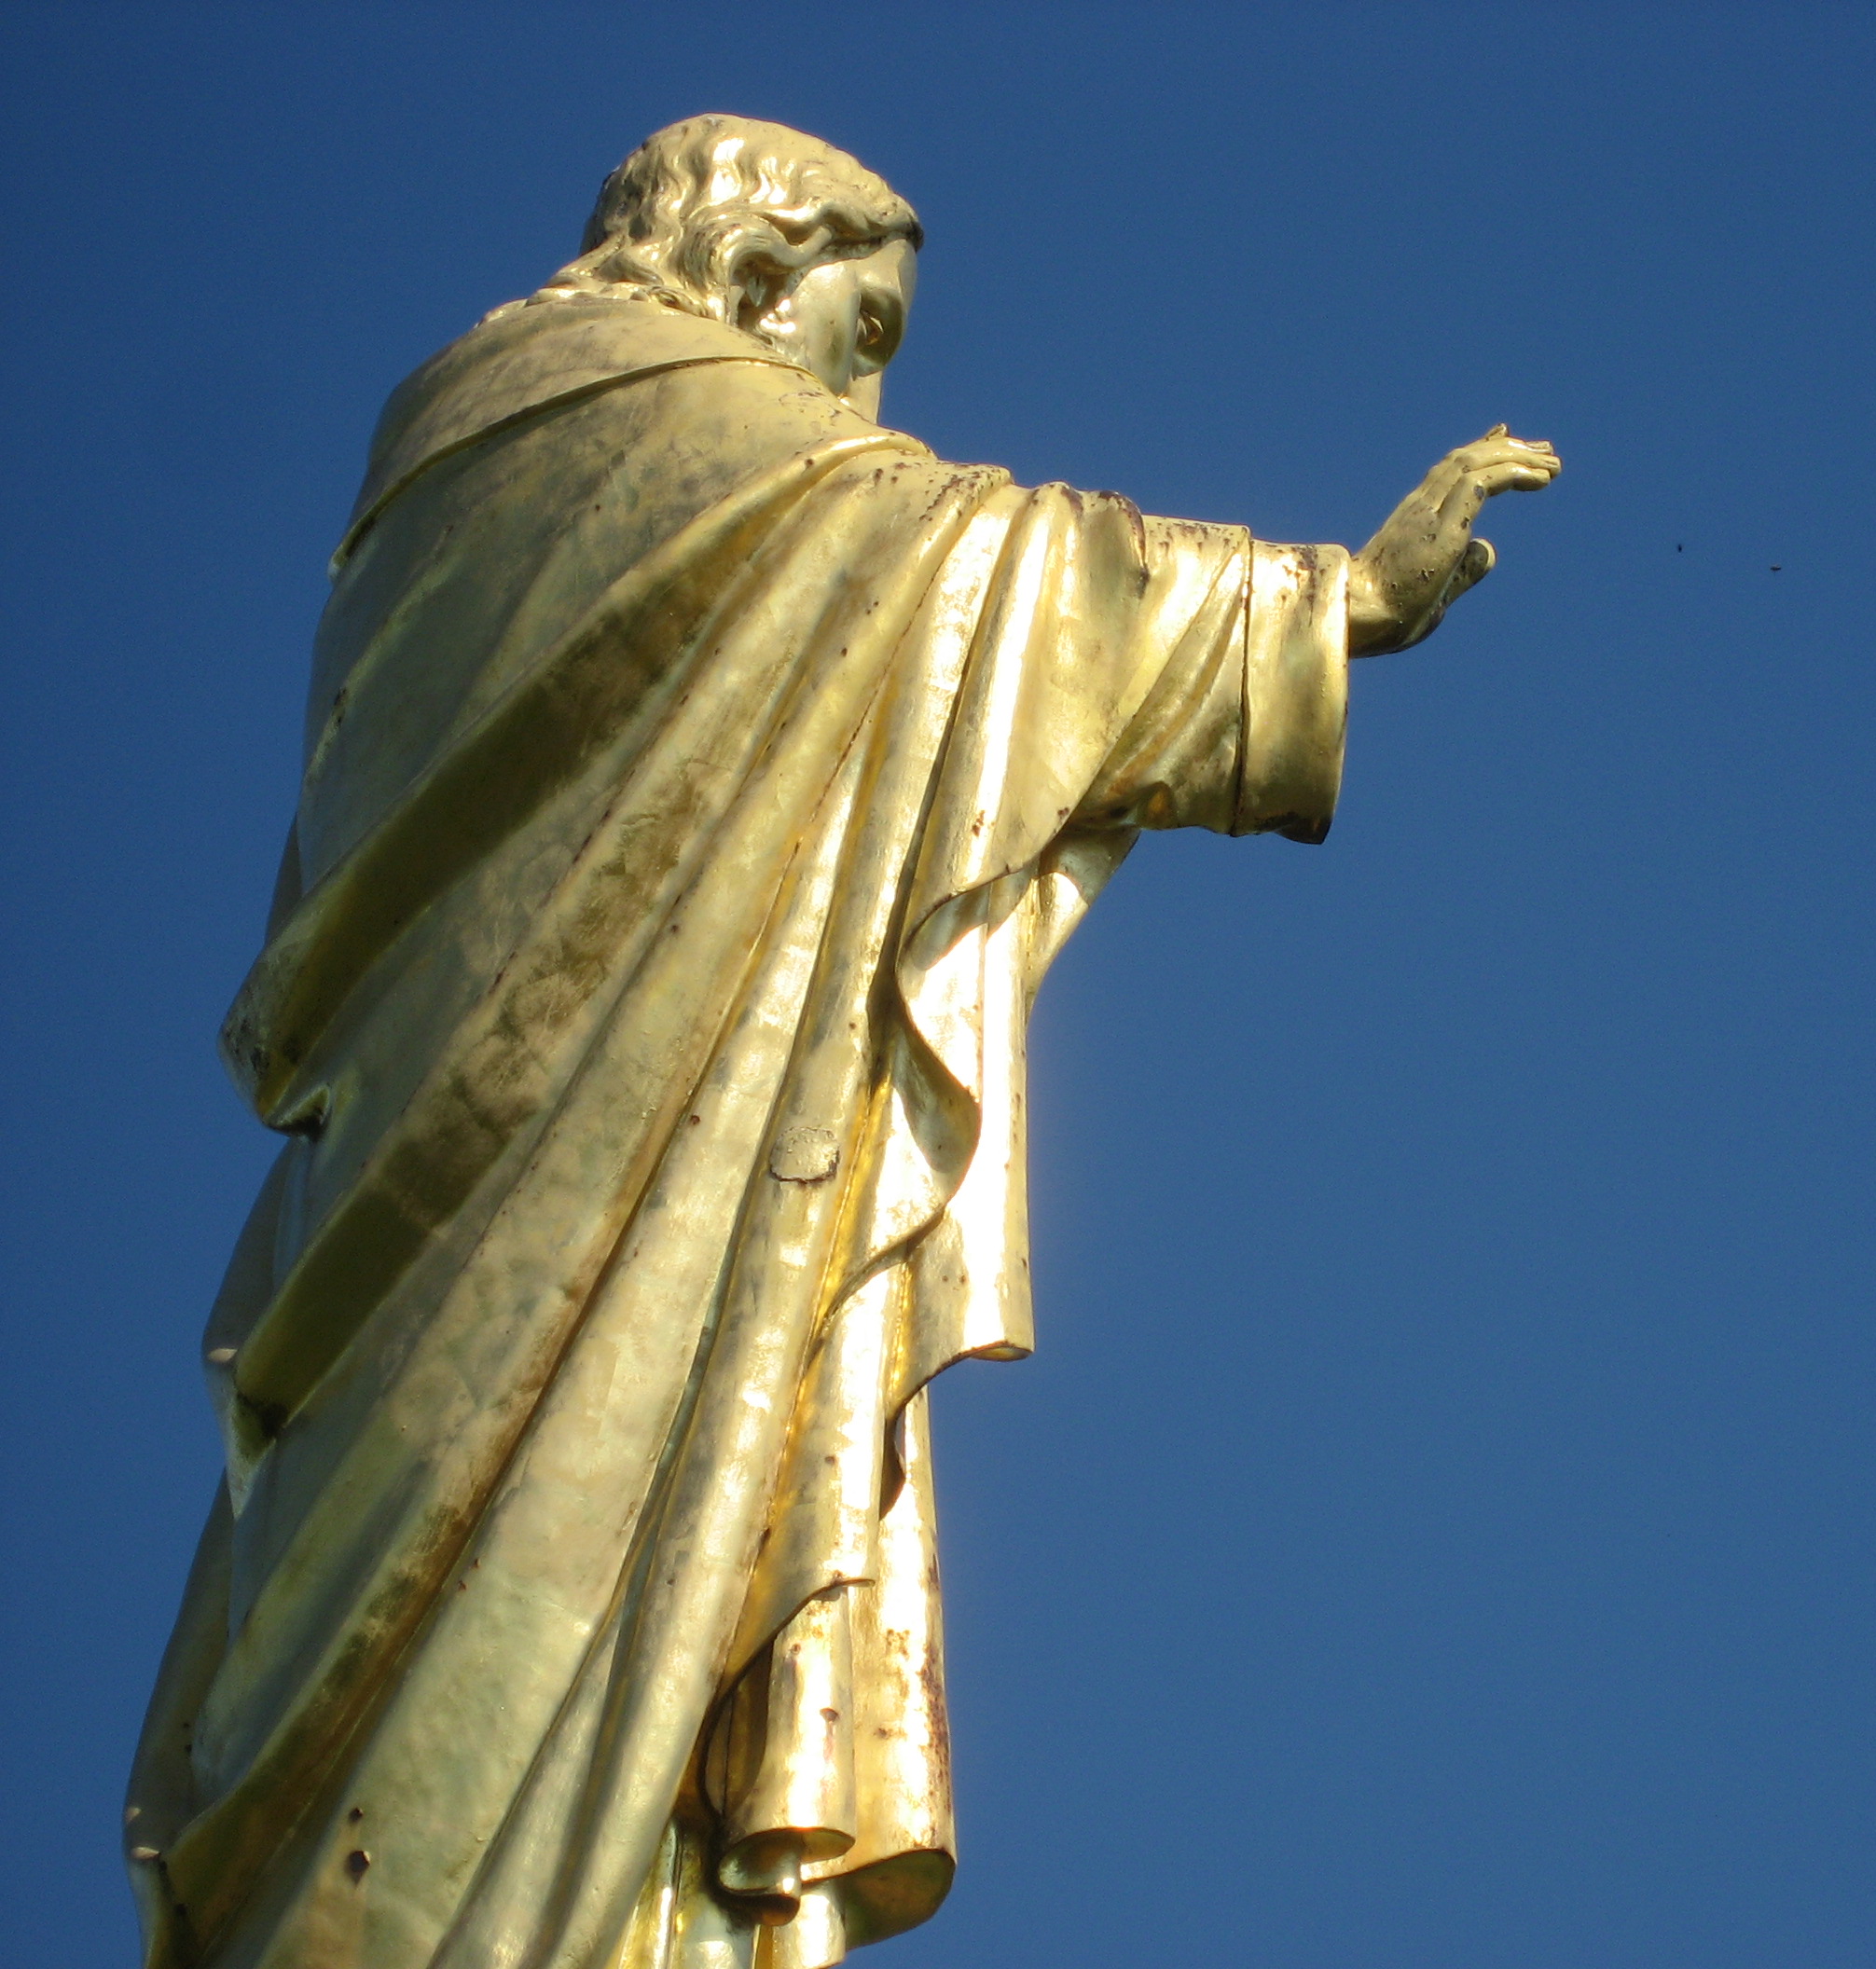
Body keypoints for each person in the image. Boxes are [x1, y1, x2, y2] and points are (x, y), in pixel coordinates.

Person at [125, 114, 1557, 1969]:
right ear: (747, 271)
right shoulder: (581, 419)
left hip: (455, 1199)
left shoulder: (452, 458)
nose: (869, 404)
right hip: (493, 1189)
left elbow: (933, 557)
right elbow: (947, 558)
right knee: (449, 1690)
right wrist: (1326, 601)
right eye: (861, 331)